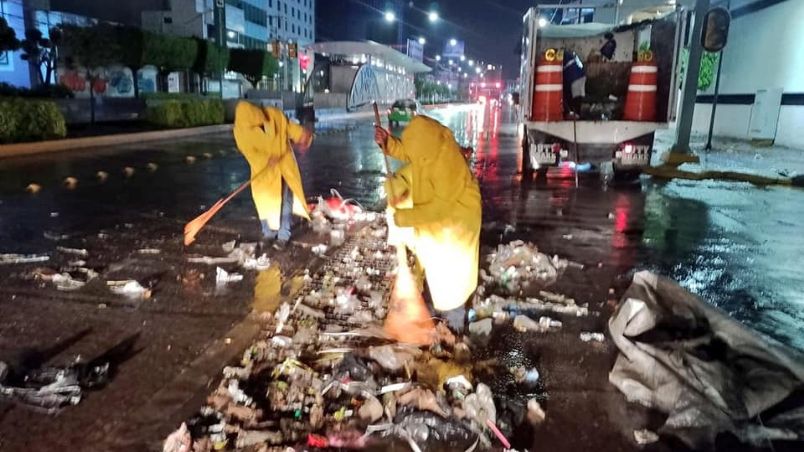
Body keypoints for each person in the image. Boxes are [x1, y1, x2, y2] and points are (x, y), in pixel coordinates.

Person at [375, 116, 481, 332]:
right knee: (432, 266)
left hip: (456, 224)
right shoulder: (429, 146)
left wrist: (403, 218)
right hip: (438, 224)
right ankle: (433, 311)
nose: (413, 157)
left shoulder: (447, 162)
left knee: (452, 277)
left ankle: (454, 327)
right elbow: (408, 152)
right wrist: (387, 143)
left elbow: (438, 209)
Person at [233, 101, 313, 249]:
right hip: (263, 171)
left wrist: (301, 134)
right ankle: (268, 233)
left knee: (286, 201)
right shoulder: (240, 131)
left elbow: (288, 127)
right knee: (264, 203)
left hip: (284, 166)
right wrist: (266, 160)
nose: (261, 121)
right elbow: (249, 152)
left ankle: (283, 235)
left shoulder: (273, 114)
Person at [563, 49, 586, 116]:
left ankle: (575, 114)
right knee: (577, 97)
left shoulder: (565, 59)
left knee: (573, 98)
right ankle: (576, 113)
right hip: (580, 76)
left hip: (574, 78)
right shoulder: (570, 56)